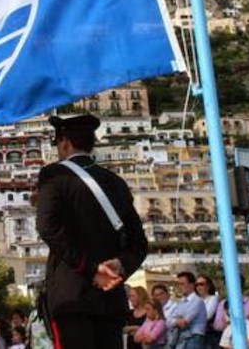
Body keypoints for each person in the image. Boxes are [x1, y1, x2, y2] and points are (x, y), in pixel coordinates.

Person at [36, 114, 148, 349]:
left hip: (72, 297)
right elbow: (139, 245)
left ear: (64, 142)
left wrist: (92, 269)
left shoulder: (54, 175)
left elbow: (48, 228)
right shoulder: (116, 182)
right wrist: (119, 265)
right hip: (111, 298)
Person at [172, 271, 207, 348]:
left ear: (191, 285)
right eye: (178, 284)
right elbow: (169, 321)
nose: (179, 287)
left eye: (182, 284)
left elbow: (185, 322)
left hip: (194, 338)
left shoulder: (198, 301)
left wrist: (177, 320)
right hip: (181, 338)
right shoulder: (180, 302)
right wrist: (178, 321)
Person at [194, 274, 219, 348]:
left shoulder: (213, 299)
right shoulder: (194, 300)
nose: (198, 287)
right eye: (196, 285)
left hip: (208, 336)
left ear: (208, 286)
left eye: (201, 284)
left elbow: (207, 316)